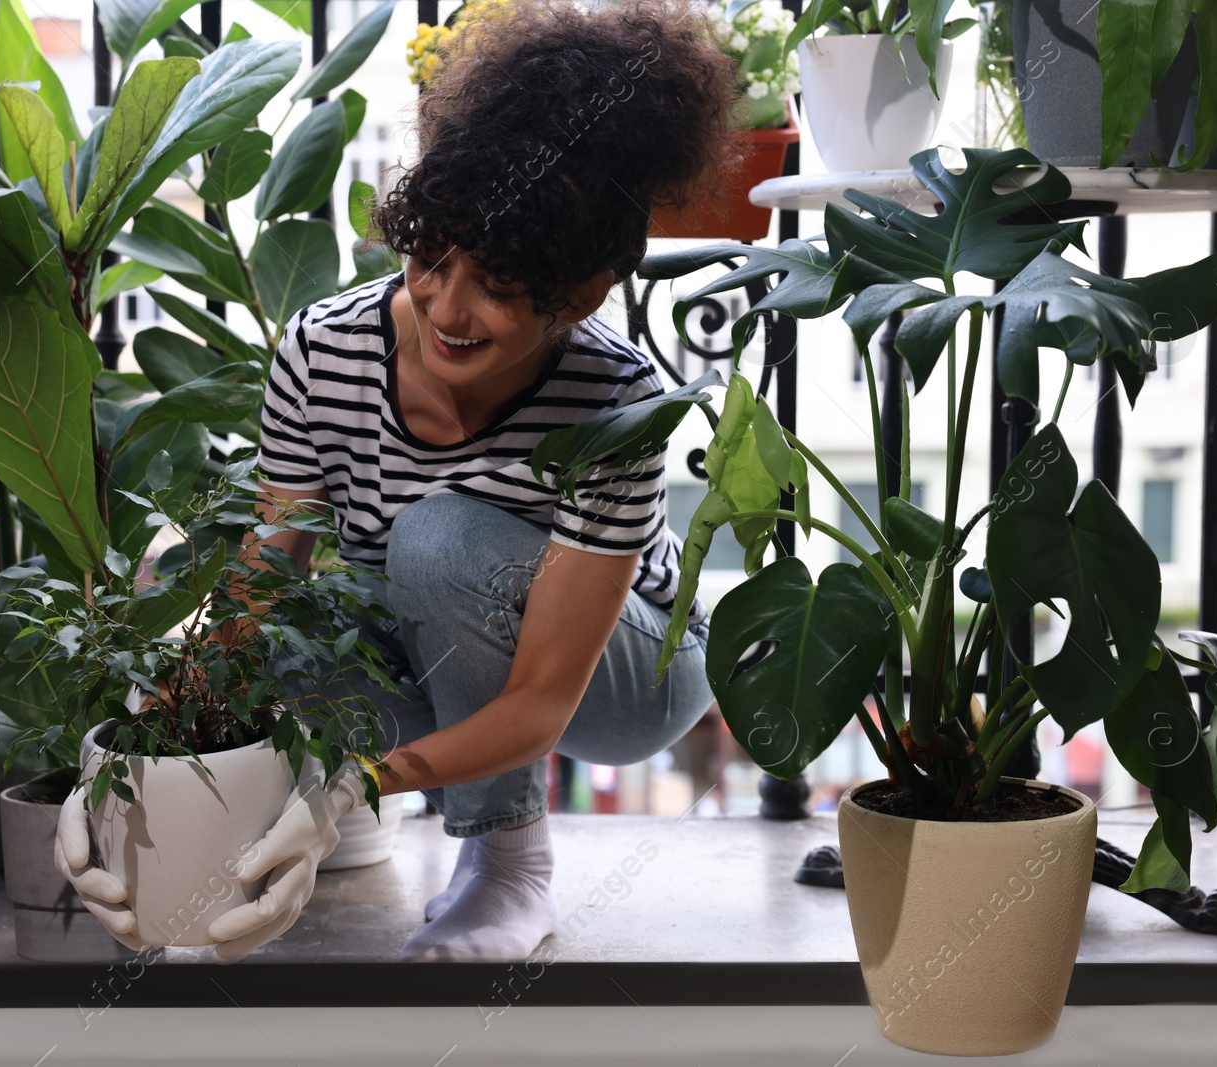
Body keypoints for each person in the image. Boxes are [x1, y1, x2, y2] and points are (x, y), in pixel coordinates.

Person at [57, 0, 743, 964]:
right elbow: (263, 589)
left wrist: (356, 784)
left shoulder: (616, 397)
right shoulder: (322, 350)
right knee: (259, 618)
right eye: (430, 257)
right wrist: (115, 764)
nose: (446, 309)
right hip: (431, 651)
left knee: (439, 540)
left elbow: (546, 697)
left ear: (584, 288)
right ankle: (264, 841)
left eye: (498, 284)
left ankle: (510, 865)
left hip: (624, 679)